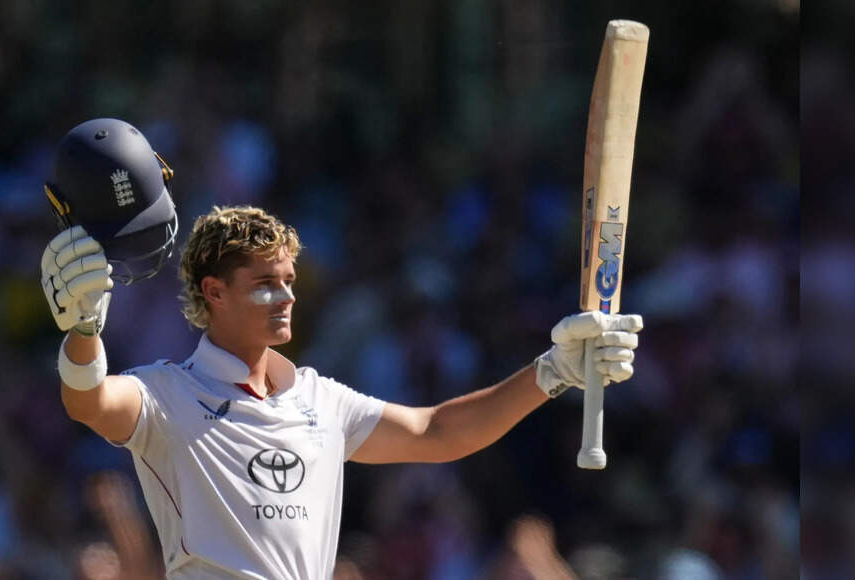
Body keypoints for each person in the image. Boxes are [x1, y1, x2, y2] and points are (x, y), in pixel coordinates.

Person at [41, 204, 642, 579]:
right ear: (214, 292)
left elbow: (438, 432)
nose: (286, 297)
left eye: (289, 281)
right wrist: (84, 331)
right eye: (265, 283)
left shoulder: (320, 399)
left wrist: (553, 371)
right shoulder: (166, 393)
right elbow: (87, 401)